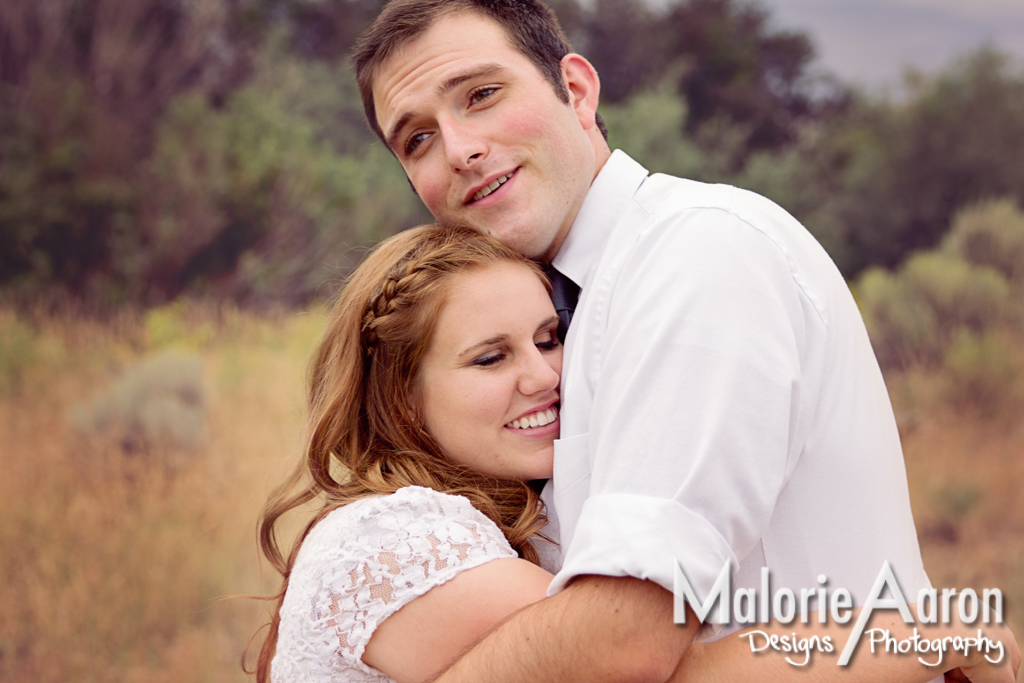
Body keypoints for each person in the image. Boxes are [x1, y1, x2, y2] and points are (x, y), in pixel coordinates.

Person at [349, 1, 1021, 682]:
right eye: (417, 140)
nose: (459, 148)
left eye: (482, 95)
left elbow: (621, 643)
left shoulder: (696, 255)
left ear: (576, 91)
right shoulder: (548, 327)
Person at [255, 224, 1013, 683]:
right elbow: (656, 670)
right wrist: (933, 632)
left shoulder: (501, 525)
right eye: (490, 358)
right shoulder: (393, 537)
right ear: (401, 396)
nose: (546, 375)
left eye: (550, 339)